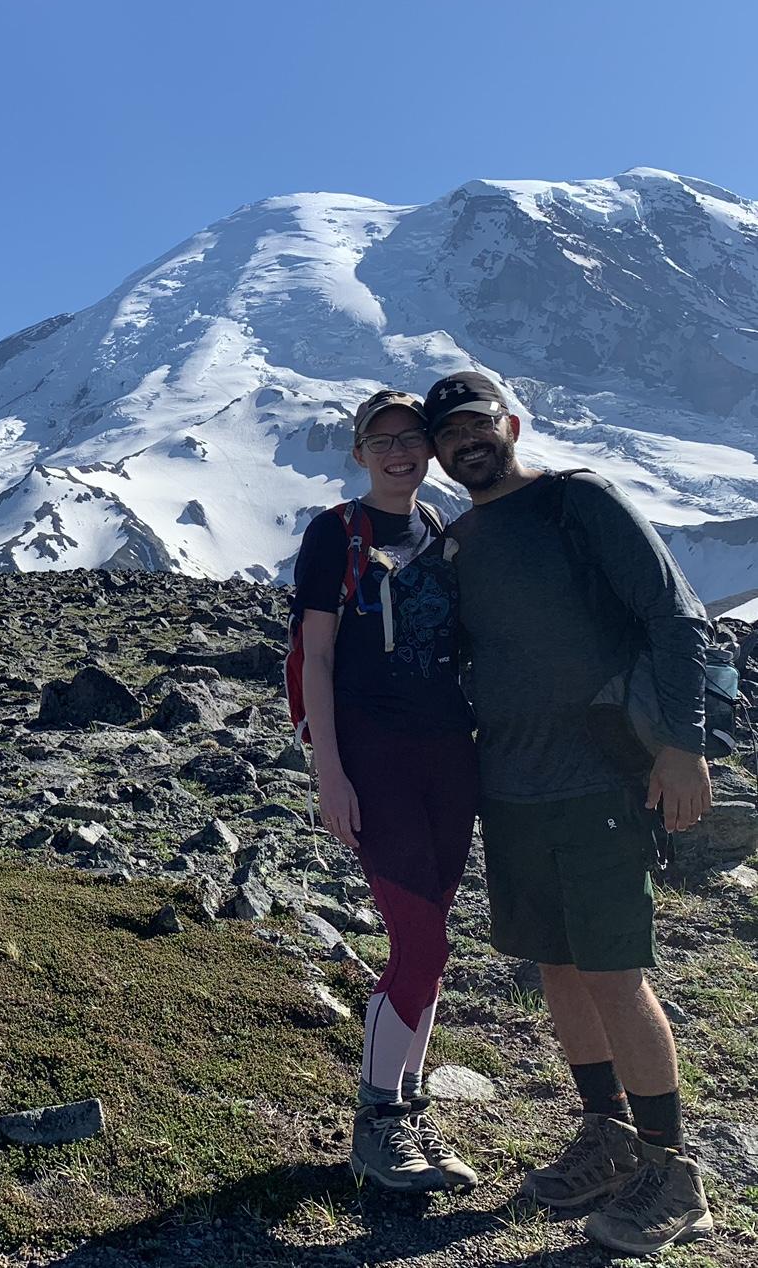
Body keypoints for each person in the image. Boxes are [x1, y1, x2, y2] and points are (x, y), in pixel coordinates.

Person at [423, 370, 714, 1257]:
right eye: (449, 435)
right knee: (555, 966)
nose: (466, 442)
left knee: (616, 971)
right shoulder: (460, 540)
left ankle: (675, 1173)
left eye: (478, 424)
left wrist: (682, 743)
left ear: (509, 423)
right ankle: (608, 1134)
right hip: (510, 786)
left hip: (598, 780)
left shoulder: (576, 503)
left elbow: (675, 615)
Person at [293, 389, 479, 1192]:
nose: (401, 451)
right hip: (375, 757)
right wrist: (329, 772)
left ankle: (405, 1106)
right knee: (423, 940)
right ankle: (377, 1125)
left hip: (448, 756)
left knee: (429, 939)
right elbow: (318, 659)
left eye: (413, 438)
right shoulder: (334, 533)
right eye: (383, 439)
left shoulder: (439, 531)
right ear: (360, 451)